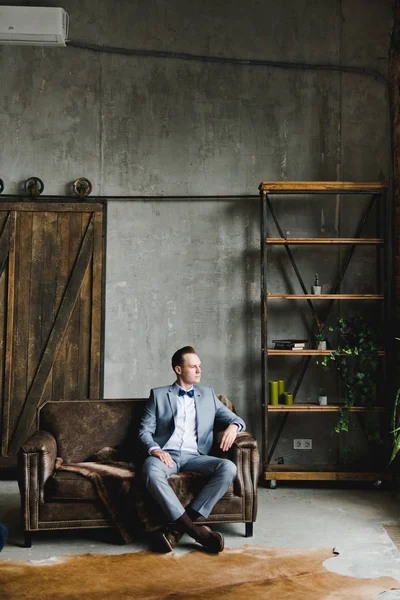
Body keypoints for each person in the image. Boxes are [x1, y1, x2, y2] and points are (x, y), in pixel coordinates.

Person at [139, 346, 245, 553]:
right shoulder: (159, 395)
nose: (198, 371)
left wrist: (233, 427)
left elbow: (235, 419)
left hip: (195, 456)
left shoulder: (208, 395)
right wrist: (155, 450)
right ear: (178, 369)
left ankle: (178, 529)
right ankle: (199, 533)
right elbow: (144, 431)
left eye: (199, 366)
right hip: (165, 455)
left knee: (228, 468)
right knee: (150, 471)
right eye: (193, 366)